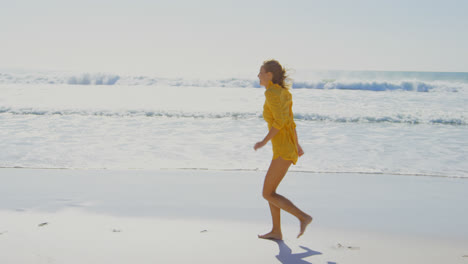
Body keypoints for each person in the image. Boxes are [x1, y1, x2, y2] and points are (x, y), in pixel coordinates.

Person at [254, 60, 312, 240]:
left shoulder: (271, 93)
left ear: (269, 75)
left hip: (283, 150)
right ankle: (276, 231)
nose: (258, 75)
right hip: (286, 147)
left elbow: (280, 122)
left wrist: (263, 141)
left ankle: (303, 217)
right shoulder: (284, 93)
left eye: (261, 72)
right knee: (271, 193)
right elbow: (290, 122)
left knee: (267, 193)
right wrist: (297, 144)